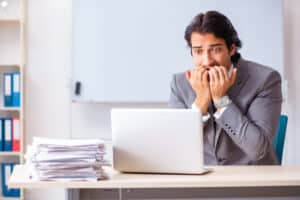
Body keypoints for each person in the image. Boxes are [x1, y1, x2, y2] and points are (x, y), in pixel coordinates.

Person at [168, 10, 282, 165]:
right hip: (200, 182)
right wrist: (201, 102)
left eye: (215, 49)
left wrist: (221, 101)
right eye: (198, 51)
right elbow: (174, 148)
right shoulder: (180, 84)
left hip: (252, 181)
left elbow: (257, 150)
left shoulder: (266, 80)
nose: (207, 61)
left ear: (231, 48)